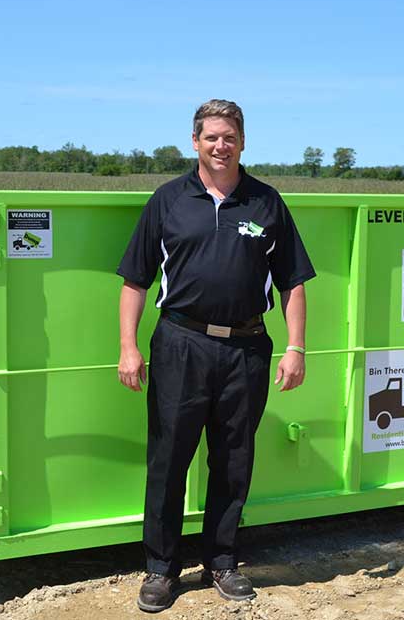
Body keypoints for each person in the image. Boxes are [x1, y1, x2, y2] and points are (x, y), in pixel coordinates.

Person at [117, 99, 316, 612]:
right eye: (211, 137)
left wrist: (295, 347)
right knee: (168, 459)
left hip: (247, 349)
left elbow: (293, 282)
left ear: (243, 142)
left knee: (233, 459)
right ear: (195, 142)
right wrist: (128, 347)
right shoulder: (168, 200)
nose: (220, 146)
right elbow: (135, 279)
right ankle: (160, 569)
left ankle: (222, 562)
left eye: (229, 137)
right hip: (180, 345)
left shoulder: (266, 203)